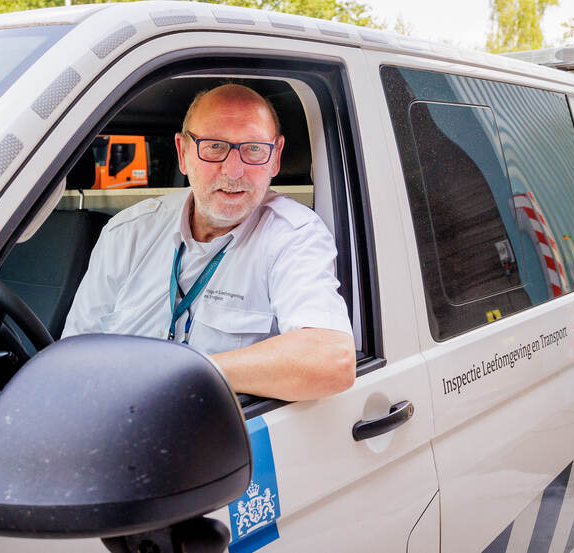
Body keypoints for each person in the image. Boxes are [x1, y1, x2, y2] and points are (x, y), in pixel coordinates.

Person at [62, 84, 355, 401]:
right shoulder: (128, 231)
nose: (234, 171)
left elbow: (331, 359)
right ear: (182, 153)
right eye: (214, 147)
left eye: (254, 149)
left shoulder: (293, 236)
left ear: (276, 157)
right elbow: (74, 354)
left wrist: (184, 372)